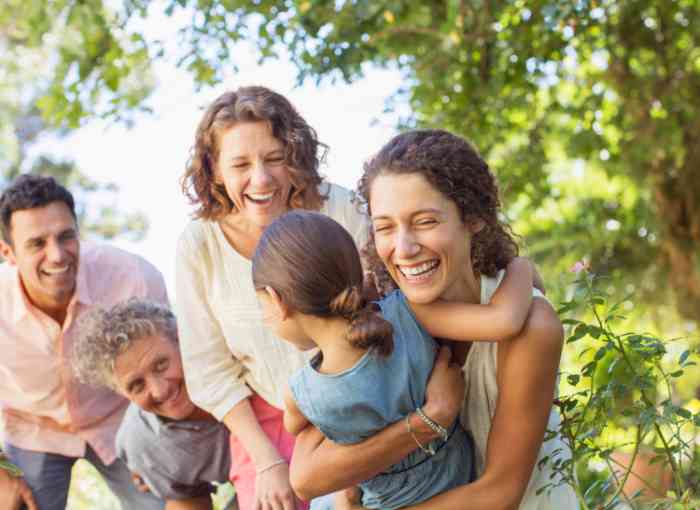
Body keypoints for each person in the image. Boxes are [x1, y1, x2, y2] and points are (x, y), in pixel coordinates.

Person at [288, 130, 578, 509]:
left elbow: (500, 493)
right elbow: (306, 475)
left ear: (473, 218)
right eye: (385, 226)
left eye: (425, 221)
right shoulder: (378, 319)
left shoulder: (530, 325)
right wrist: (428, 419)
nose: (404, 249)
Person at [251, 210, 538, 509]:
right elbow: (503, 320)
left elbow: (296, 429)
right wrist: (520, 266)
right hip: (458, 482)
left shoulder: (302, 393)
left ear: (276, 301)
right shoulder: (407, 314)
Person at [175, 85, 373, 510]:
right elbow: (208, 369)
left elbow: (382, 311)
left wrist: (348, 453)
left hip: (361, 396)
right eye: (241, 164)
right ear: (215, 171)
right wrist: (267, 462)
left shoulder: (339, 209)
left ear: (295, 156)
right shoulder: (200, 244)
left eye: (274, 159)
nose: (261, 179)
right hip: (264, 418)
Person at [0, 174, 166, 510]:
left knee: (173, 499)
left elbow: (174, 367)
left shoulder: (132, 276)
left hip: (123, 421)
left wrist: (166, 448)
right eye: (36, 244)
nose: (57, 256)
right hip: (32, 430)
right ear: (9, 253)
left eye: (66, 237)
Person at [72, 299, 232, 510]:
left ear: (179, 341)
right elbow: (188, 500)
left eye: (161, 365)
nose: (159, 390)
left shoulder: (230, 357)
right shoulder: (142, 442)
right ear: (121, 393)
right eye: (136, 385)